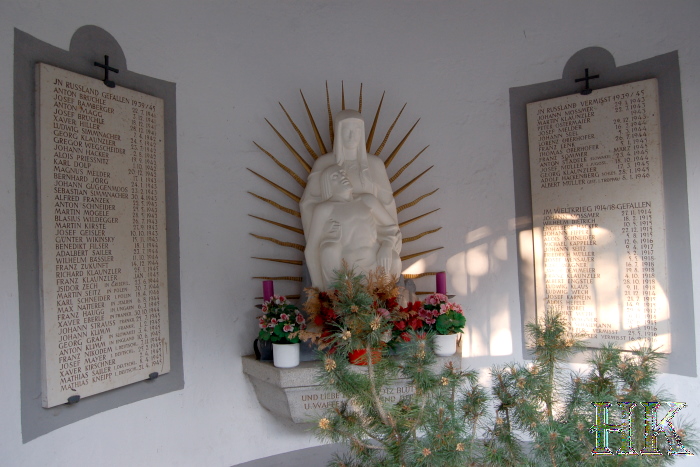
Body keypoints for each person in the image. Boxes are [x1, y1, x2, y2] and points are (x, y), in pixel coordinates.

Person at [300, 109, 398, 235]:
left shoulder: (375, 164)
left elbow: (387, 203)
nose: (352, 136)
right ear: (338, 131)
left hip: (369, 233)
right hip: (336, 232)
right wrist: (324, 227)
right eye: (347, 130)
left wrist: (392, 238)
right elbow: (308, 204)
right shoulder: (323, 163)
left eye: (357, 130)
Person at [304, 165, 401, 290]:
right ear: (327, 184)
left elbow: (393, 228)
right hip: (347, 269)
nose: (342, 176)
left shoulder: (367, 200)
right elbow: (312, 248)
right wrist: (317, 289)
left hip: (376, 261)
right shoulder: (325, 209)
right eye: (335, 176)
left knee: (395, 260)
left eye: (343, 173)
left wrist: (387, 246)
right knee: (328, 250)